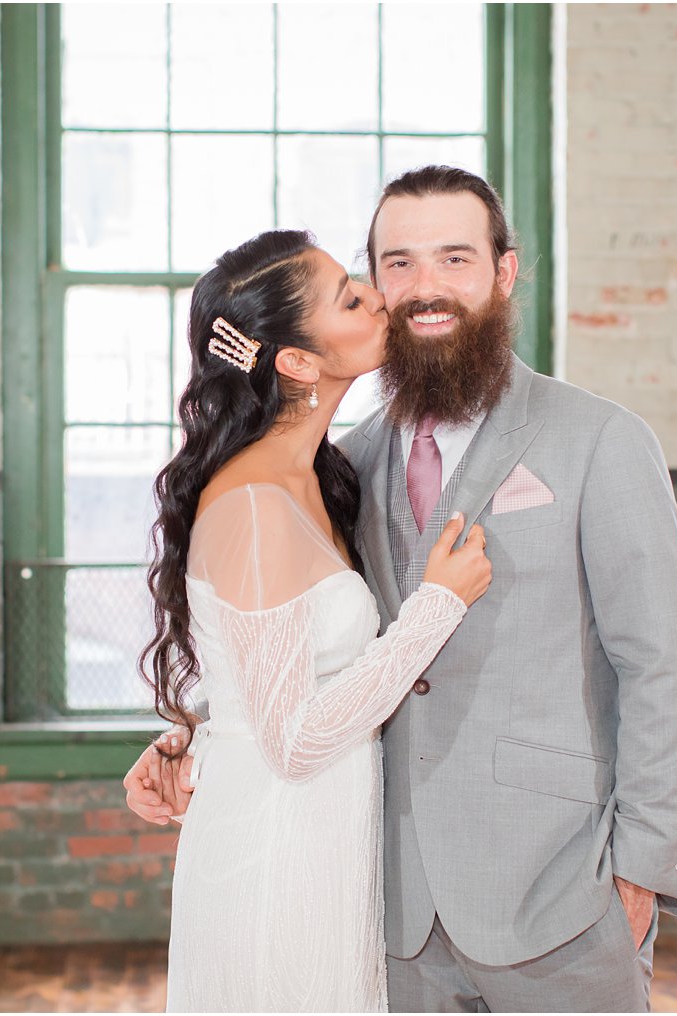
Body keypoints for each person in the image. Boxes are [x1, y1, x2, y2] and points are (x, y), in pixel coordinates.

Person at [130, 167, 677, 1013]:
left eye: (455, 259)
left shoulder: (602, 441)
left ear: (503, 273)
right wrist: (206, 741)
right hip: (381, 904)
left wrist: (642, 871)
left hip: (560, 896)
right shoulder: (343, 466)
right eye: (396, 264)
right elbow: (294, 656)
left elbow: (659, 666)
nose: (424, 287)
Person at [138, 228, 493, 1012]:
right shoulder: (256, 504)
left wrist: (191, 732)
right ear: (297, 362)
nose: (377, 295)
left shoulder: (323, 473)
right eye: (349, 296)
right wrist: (436, 607)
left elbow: (268, 664)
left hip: (325, 839)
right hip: (275, 849)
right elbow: (293, 743)